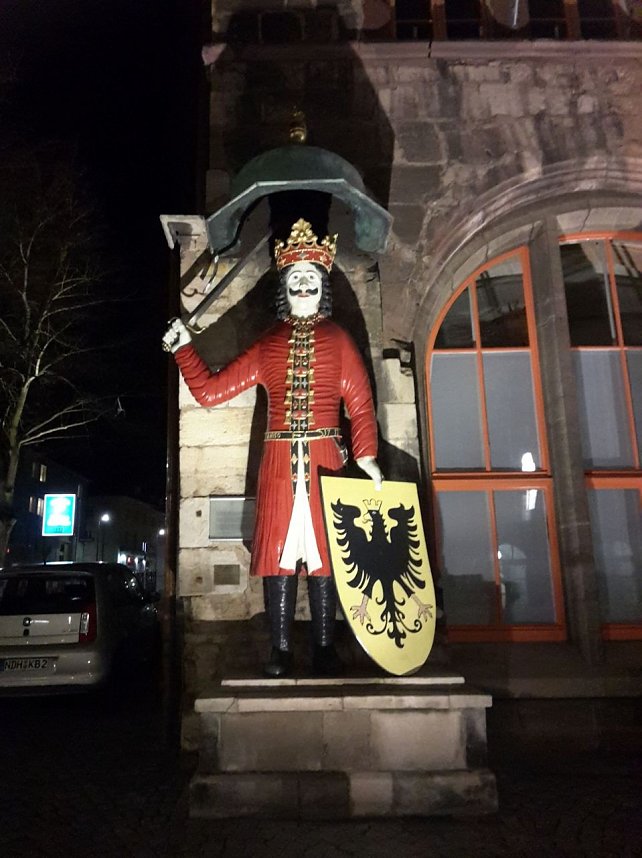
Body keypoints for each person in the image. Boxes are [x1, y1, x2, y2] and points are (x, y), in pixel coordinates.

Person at [163, 218, 383, 677]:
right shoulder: (269, 345)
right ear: (286, 286)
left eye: (310, 277)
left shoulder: (339, 341)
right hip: (280, 465)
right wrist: (185, 348)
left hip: (327, 463)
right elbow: (210, 391)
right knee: (278, 555)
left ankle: (324, 647)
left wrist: (366, 458)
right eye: (295, 278)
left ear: (322, 286)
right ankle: (279, 649)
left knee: (326, 554)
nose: (303, 284)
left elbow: (360, 404)